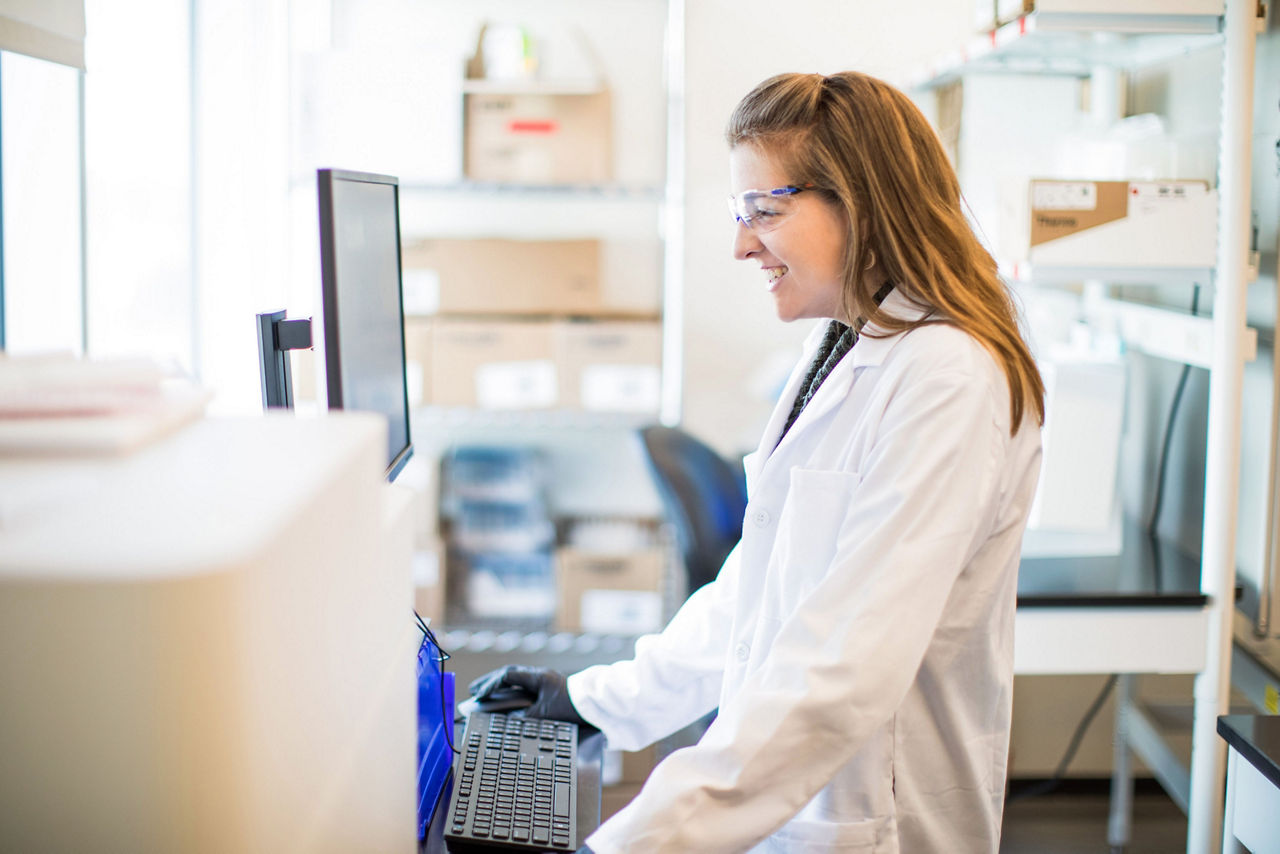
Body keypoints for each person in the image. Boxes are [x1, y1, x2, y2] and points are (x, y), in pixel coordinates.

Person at [469, 71, 1045, 854]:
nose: (742, 244)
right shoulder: (847, 339)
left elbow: (842, 669)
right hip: (798, 809)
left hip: (874, 821)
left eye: (764, 213)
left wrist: (622, 846)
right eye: (739, 213)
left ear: (863, 202)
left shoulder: (947, 378)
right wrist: (593, 699)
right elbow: (764, 583)